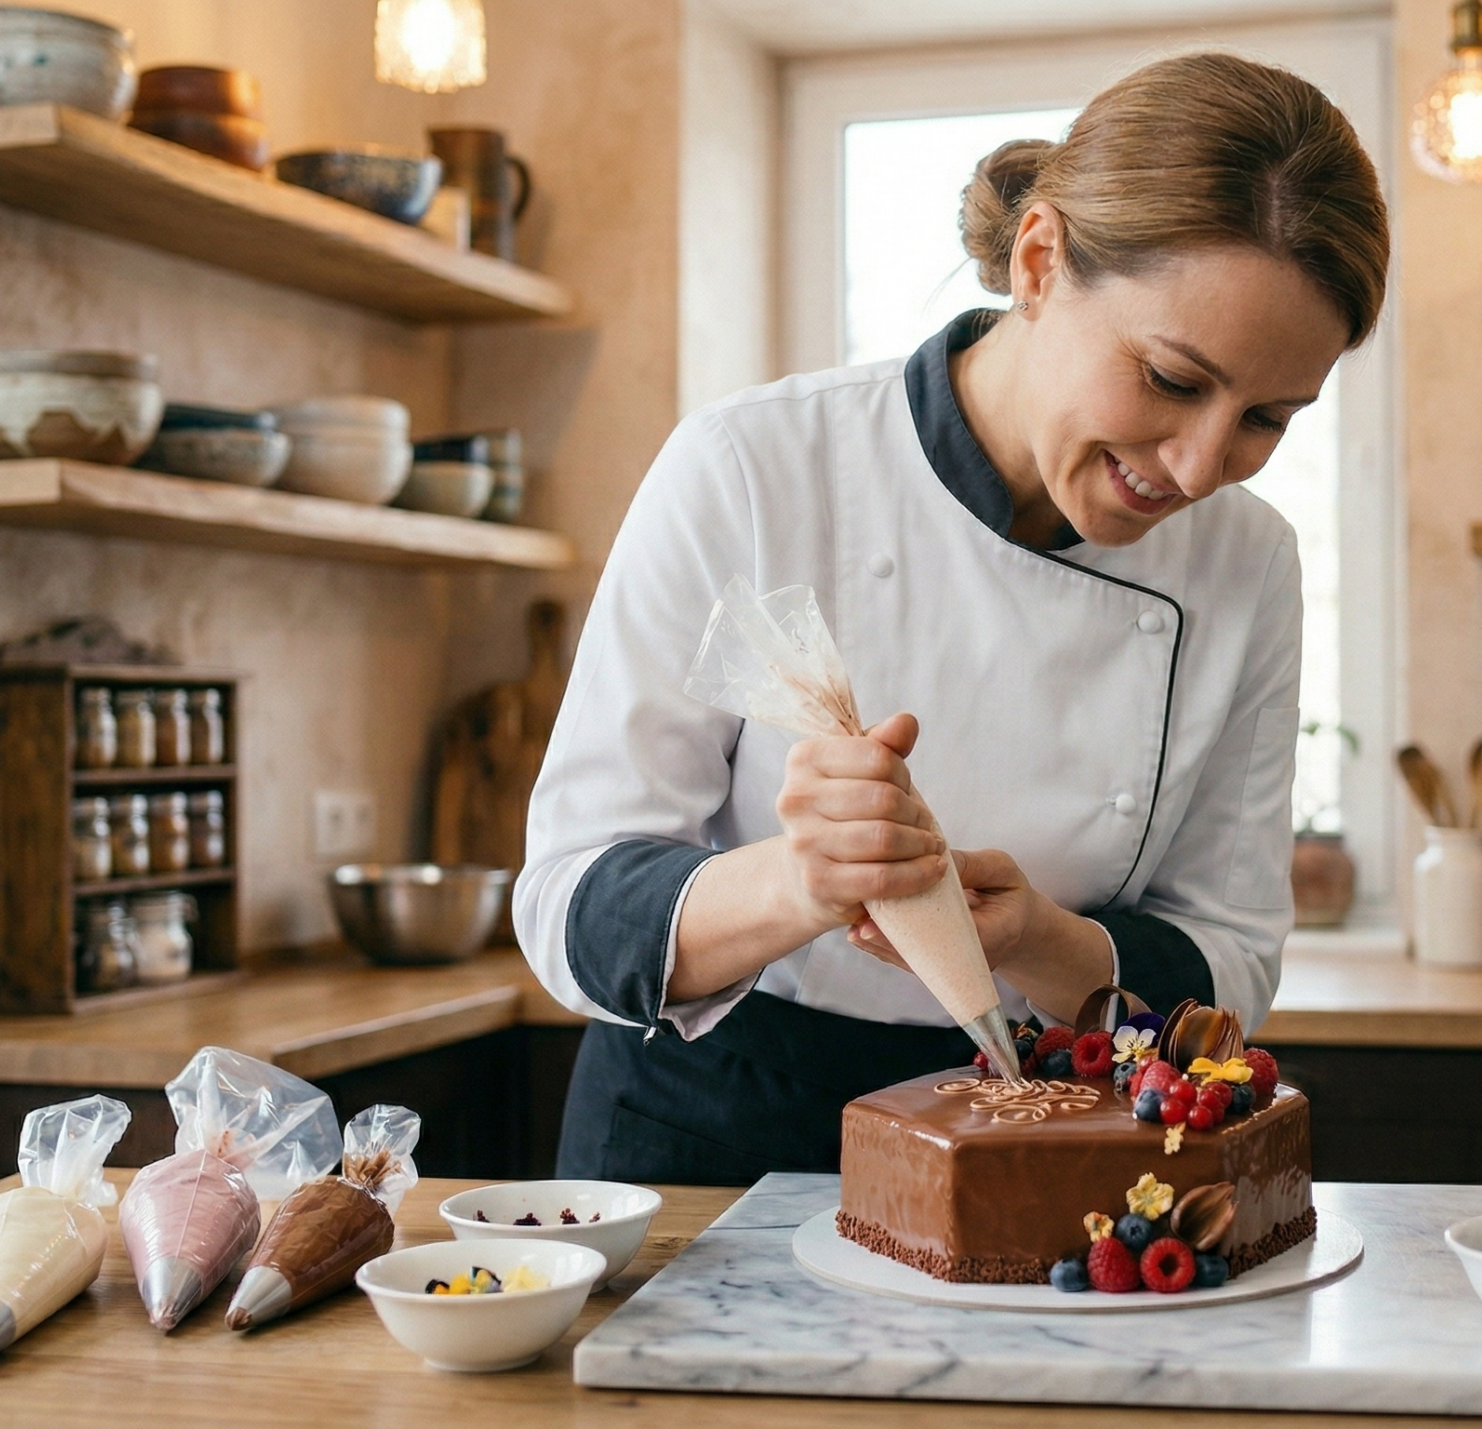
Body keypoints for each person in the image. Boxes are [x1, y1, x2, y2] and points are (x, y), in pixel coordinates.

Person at [517, 50, 1390, 1182]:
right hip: (712, 1138)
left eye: (1267, 417)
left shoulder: (1249, 563)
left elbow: (1229, 963)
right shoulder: (755, 466)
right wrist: (801, 880)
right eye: (1173, 379)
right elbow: (567, 907)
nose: (1198, 463)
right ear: (1038, 261)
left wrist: (1032, 939)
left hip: (1042, 1142)